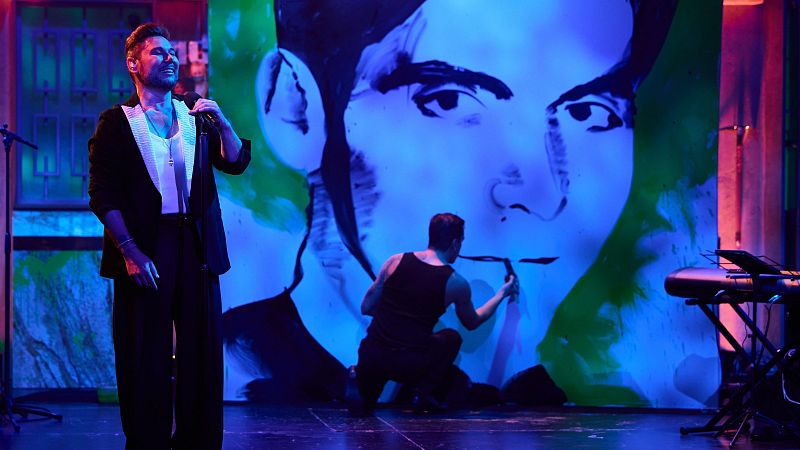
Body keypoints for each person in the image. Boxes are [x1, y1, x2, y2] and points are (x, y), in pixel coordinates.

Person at [223, 0, 713, 408]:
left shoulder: (609, 378)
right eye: (449, 100)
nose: (537, 190)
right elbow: (466, 320)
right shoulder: (234, 359)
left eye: (590, 111)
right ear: (296, 108)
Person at [88, 23, 251, 449]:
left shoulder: (195, 111)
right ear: (133, 64)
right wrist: (129, 251)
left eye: (171, 52)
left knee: (200, 352)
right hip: (146, 244)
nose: (169, 58)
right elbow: (102, 192)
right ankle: (148, 440)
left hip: (195, 245)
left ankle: (197, 440)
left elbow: (234, 162)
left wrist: (224, 123)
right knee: (145, 350)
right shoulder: (116, 123)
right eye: (157, 52)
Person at [353, 213, 518, 414]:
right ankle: (421, 394)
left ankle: (358, 378)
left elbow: (366, 307)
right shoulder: (456, 282)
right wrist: (502, 293)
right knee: (451, 338)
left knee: (365, 404)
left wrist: (395, 313)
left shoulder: (394, 261)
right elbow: (472, 322)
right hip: (408, 364)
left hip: (373, 355)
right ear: (456, 243)